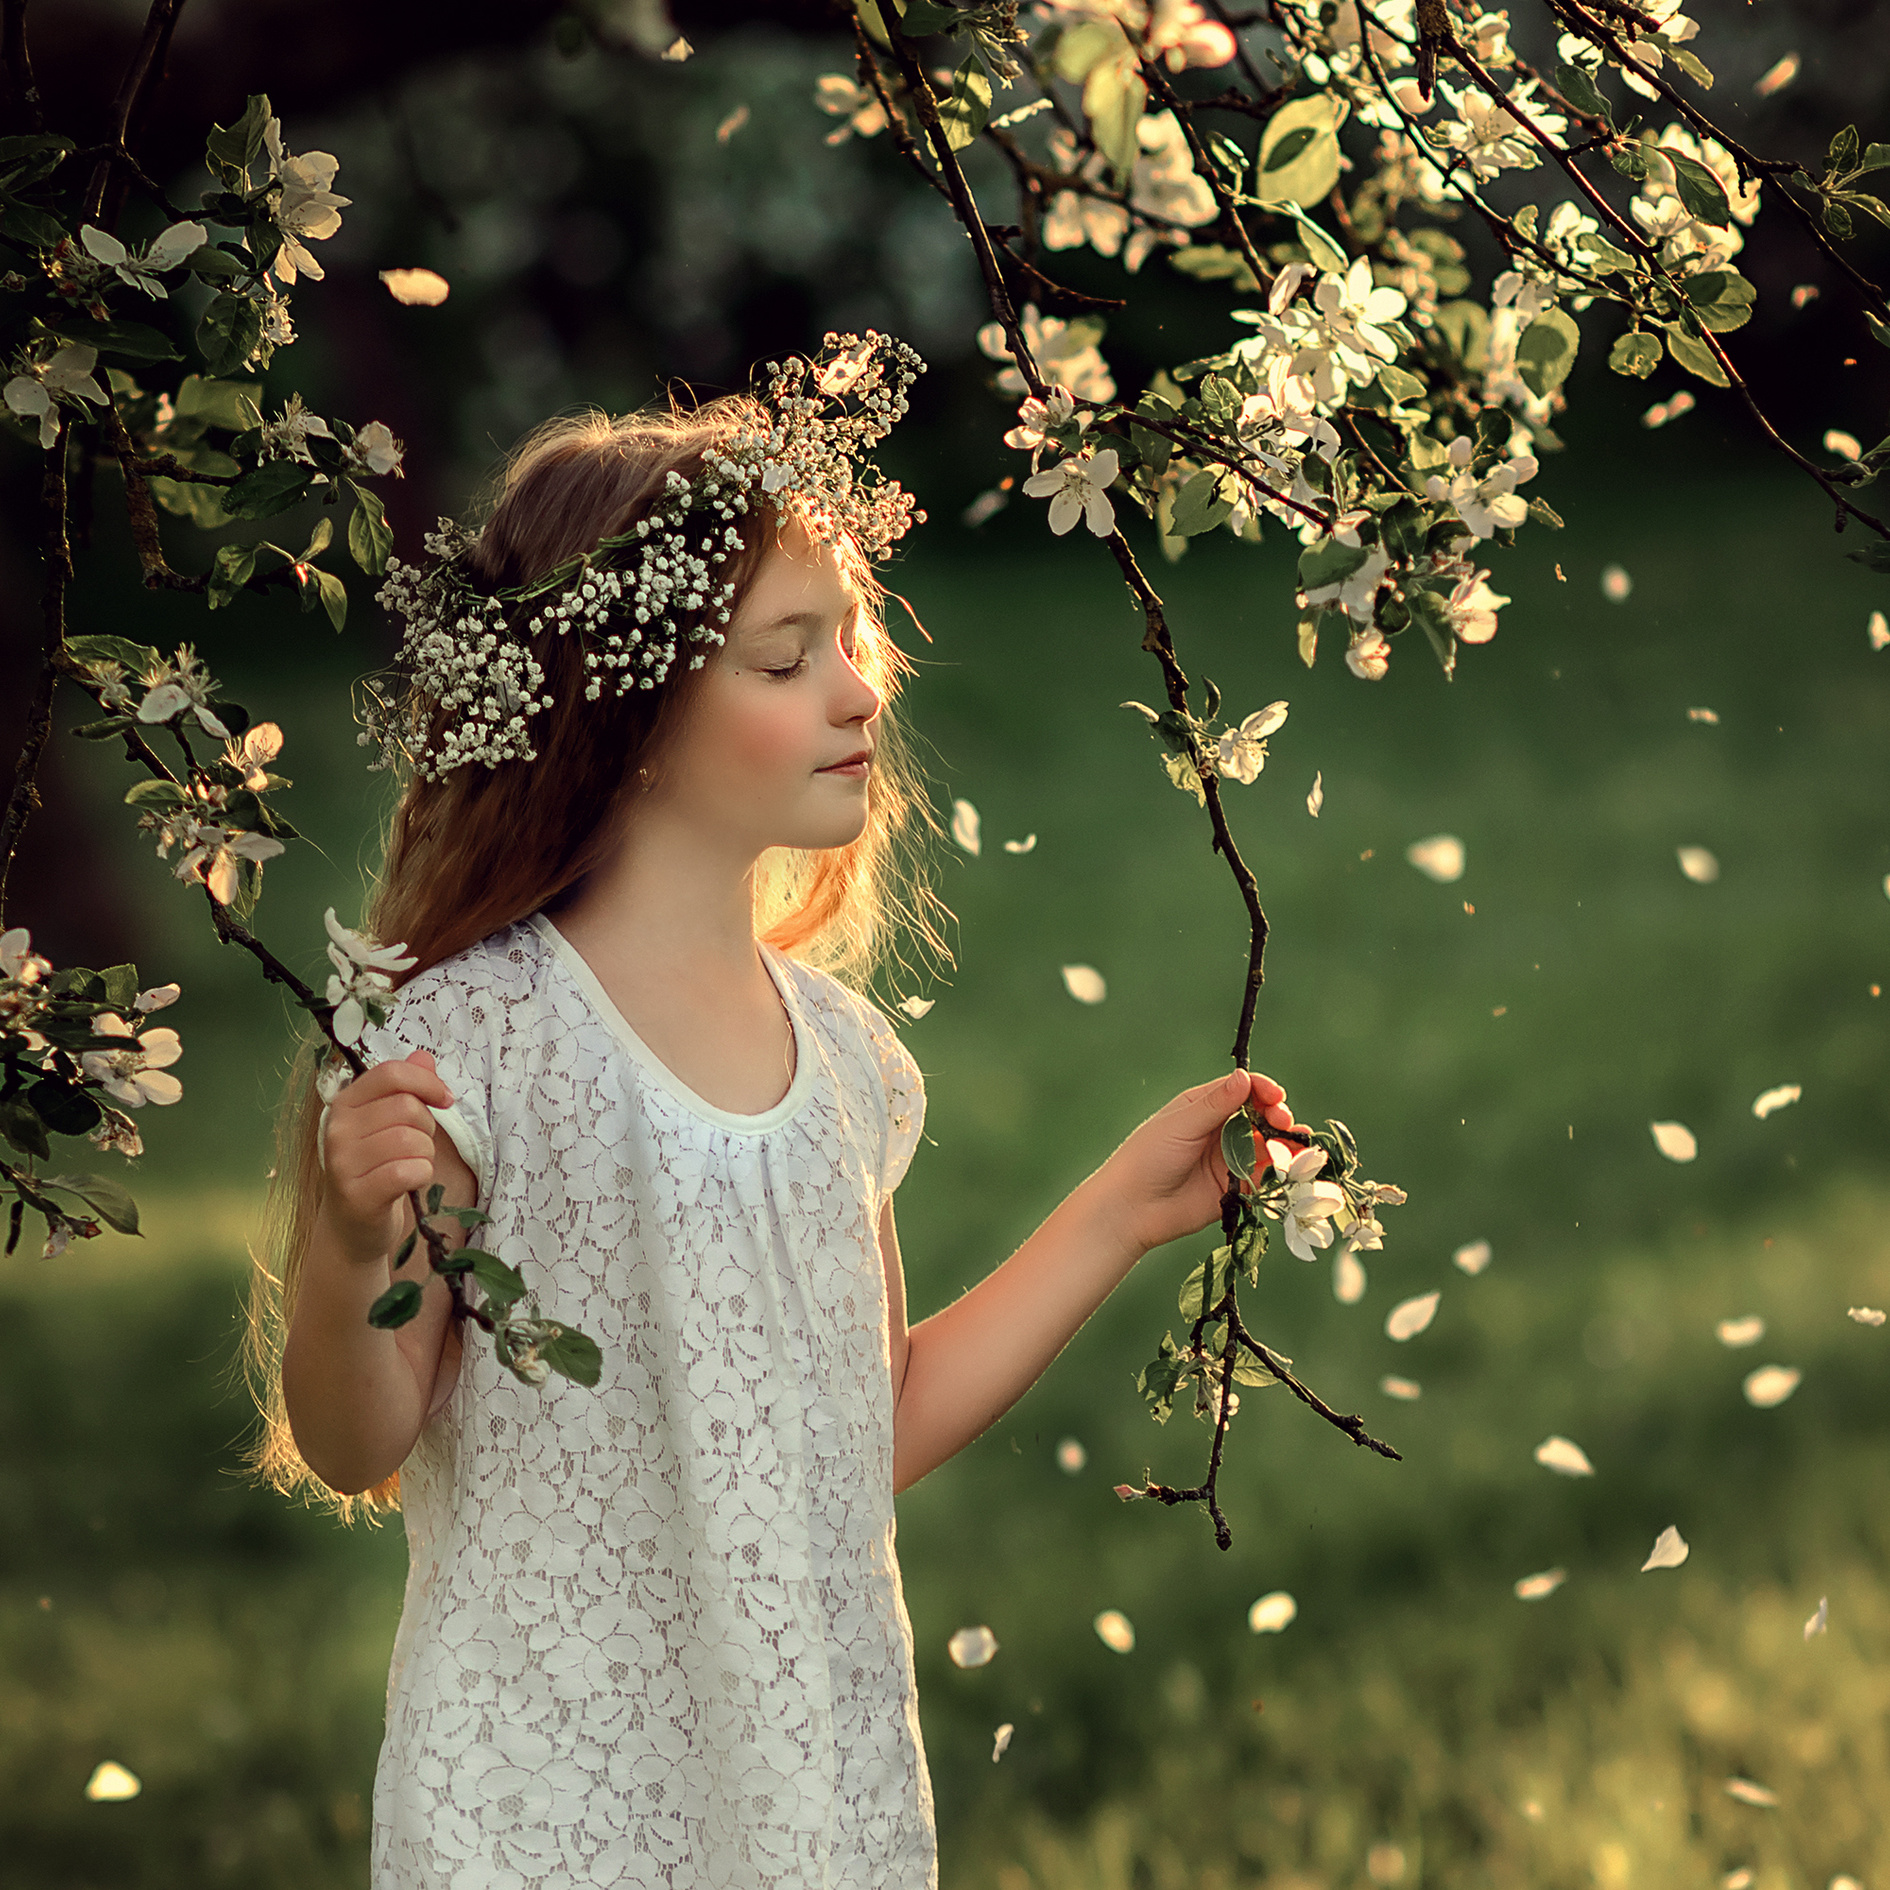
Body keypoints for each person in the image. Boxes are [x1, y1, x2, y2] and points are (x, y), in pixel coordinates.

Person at [243, 335, 1306, 1889]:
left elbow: (850, 1431)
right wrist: (347, 1247)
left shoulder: (846, 1060)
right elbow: (356, 1439)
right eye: (784, 654)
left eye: (849, 638)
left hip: (804, 1796)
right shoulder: (470, 1044)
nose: (858, 688)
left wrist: (1119, 1213)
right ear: (630, 713)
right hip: (541, 1807)